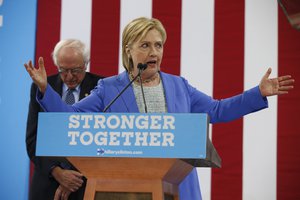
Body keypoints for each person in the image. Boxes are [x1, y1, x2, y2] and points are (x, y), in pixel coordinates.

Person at [24, 17, 294, 199]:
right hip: (126, 190)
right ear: (128, 49)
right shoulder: (109, 89)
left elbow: (218, 110)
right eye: (145, 45)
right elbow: (71, 119)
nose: (154, 52)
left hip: (179, 186)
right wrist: (46, 89)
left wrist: (257, 93)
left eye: (158, 45)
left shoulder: (179, 86)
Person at [25, 39, 104, 200]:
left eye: (75, 70)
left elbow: (104, 139)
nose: (69, 76)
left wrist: (73, 177)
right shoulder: (42, 86)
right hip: (48, 183)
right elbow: (33, 139)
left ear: (86, 64)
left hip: (85, 183)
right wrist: (57, 172)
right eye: (63, 70)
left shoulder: (101, 87)